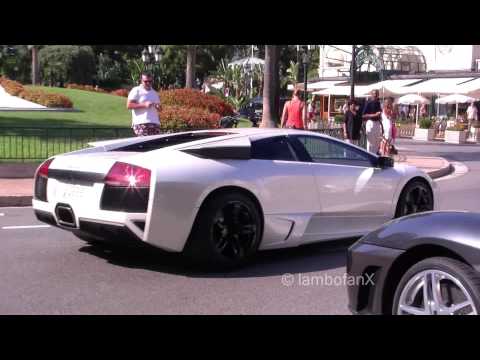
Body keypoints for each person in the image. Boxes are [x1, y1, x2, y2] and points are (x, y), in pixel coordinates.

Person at [362, 89, 383, 154]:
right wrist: (374, 115)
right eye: (374, 93)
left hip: (377, 123)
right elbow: (363, 115)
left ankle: (375, 156)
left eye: (377, 94)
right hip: (370, 122)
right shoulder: (368, 103)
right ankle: (370, 156)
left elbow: (379, 114)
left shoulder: (378, 103)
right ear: (371, 94)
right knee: (371, 142)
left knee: (377, 142)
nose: (376, 95)